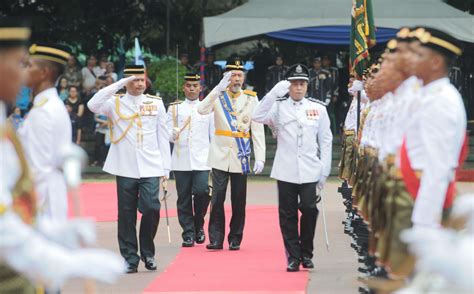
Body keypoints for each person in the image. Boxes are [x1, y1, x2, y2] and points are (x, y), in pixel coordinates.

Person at [0, 19, 124, 293]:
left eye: (26, 65)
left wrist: (47, 231)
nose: (20, 74)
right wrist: (60, 257)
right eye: (16, 64)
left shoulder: (42, 111)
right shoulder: (39, 111)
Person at [87, 64, 171, 274]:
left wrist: (166, 170)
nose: (140, 84)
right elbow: (92, 104)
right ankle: (129, 258)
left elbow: (162, 136)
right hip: (125, 166)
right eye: (135, 80)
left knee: (151, 207)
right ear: (126, 82)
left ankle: (148, 253)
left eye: (142, 80)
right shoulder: (114, 103)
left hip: (151, 166)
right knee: (126, 215)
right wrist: (119, 83)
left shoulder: (156, 103)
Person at [253, 64, 333, 272]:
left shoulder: (318, 109)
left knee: (309, 209)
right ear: (288, 86)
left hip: (309, 169)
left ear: (307, 86)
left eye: (302, 84)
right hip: (286, 168)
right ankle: (293, 256)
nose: (298, 88)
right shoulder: (278, 106)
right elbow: (256, 115)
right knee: (287, 214)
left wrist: (324, 171)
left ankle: (306, 252)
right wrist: (272, 94)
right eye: (295, 84)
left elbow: (325, 141)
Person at [197, 58, 266, 251]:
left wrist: (260, 157)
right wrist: (217, 89)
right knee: (217, 198)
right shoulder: (218, 96)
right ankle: (216, 238)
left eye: (239, 75)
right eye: (232, 75)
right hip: (219, 154)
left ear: (243, 78)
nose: (236, 79)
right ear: (225, 78)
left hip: (241, 155)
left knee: (238, 199)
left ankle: (235, 237)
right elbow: (201, 109)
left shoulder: (251, 99)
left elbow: (257, 130)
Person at [18, 43, 73, 221]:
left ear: (44, 73)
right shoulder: (49, 105)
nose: (23, 70)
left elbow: (38, 170)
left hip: (43, 208)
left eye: (29, 66)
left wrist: (27, 213)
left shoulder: (43, 111)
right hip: (50, 200)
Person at [166, 73, 214, 247]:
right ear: (183, 88)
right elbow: (167, 133)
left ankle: (198, 224)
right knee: (184, 197)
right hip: (181, 158)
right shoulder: (174, 108)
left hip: (202, 158)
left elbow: (212, 135)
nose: (192, 88)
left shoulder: (208, 107)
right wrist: (172, 134)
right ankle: (188, 232)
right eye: (188, 85)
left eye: (195, 85)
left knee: (202, 191)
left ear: (200, 88)